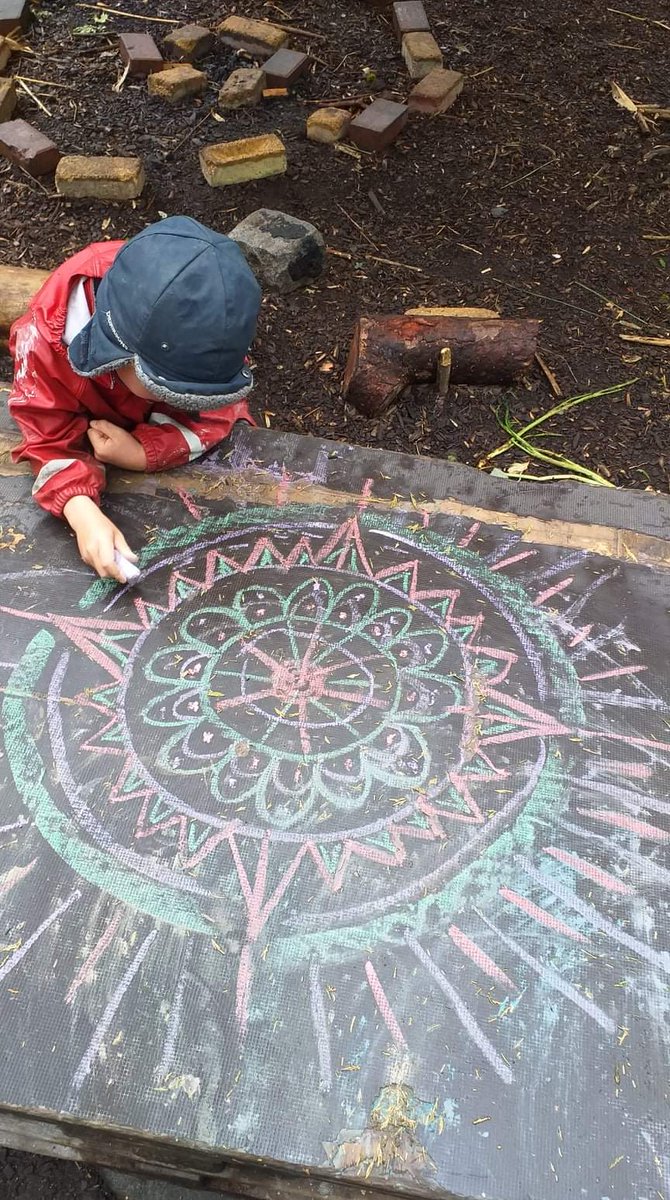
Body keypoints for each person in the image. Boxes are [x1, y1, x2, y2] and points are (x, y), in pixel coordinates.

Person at [8, 215, 262, 583]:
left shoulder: (201, 317)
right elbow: (45, 435)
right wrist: (81, 511)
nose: (189, 397)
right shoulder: (45, 340)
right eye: (169, 386)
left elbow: (218, 410)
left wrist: (146, 452)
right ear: (117, 353)